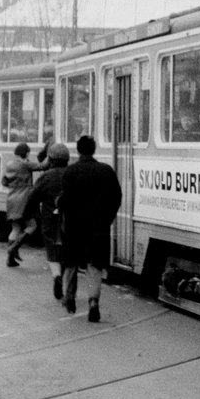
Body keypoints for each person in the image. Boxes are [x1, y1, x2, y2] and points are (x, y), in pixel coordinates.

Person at [60, 135, 122, 323]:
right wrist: (107, 220)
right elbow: (117, 198)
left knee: (70, 264)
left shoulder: (70, 172)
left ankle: (69, 297)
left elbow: (64, 200)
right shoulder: (106, 171)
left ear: (78, 150)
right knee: (94, 266)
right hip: (99, 228)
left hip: (74, 227)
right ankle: (93, 302)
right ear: (94, 150)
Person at [22, 142, 70, 301]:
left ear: (51, 159)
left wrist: (28, 214)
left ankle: (56, 276)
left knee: (52, 250)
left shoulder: (46, 177)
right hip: (69, 220)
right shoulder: (72, 174)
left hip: (50, 219)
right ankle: (61, 278)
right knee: (65, 251)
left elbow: (32, 198)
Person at [3, 141, 47, 267]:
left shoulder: (9, 164)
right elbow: (42, 166)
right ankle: (14, 248)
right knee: (32, 226)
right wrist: (49, 152)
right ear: (25, 153)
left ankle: (10, 259)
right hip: (24, 199)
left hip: (11, 198)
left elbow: (4, 182)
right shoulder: (25, 164)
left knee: (15, 228)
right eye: (28, 153)